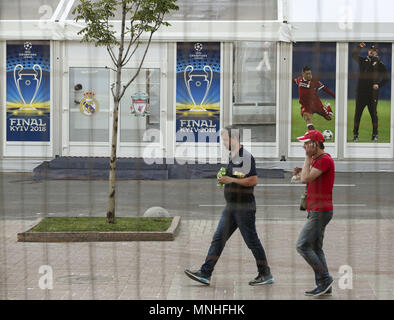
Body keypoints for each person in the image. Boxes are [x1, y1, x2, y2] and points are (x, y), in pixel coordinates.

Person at [184, 125, 273, 286]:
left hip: (244, 208)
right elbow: (236, 176)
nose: (223, 143)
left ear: (235, 139)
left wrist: (230, 180)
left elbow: (253, 180)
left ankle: (265, 274)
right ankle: (205, 273)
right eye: (222, 139)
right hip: (231, 207)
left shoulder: (245, 156)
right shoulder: (233, 156)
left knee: (252, 241)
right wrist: (225, 176)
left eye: (225, 139)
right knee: (218, 239)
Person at [293, 129, 335, 297]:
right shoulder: (318, 159)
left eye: (306, 143)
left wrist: (307, 158)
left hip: (320, 211)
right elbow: (305, 177)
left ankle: (325, 279)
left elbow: (306, 179)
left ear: (315, 144)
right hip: (316, 209)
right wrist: (301, 170)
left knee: (302, 245)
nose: (303, 146)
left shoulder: (323, 160)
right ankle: (324, 286)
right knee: (316, 248)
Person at [351, 43, 389, 142]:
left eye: (373, 50)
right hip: (361, 92)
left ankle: (375, 135)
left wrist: (379, 85)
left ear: (376, 52)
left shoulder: (380, 64)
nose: (371, 51)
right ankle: (355, 135)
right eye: (370, 50)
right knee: (358, 114)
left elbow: (386, 78)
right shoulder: (363, 61)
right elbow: (353, 55)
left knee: (374, 115)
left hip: (372, 93)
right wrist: (359, 47)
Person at [293, 66, 335, 131]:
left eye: (310, 73)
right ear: (303, 74)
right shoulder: (299, 80)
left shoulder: (315, 81)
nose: (309, 75)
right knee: (307, 118)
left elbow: (325, 89)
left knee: (329, 118)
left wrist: (335, 96)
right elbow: (293, 80)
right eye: (307, 74)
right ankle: (313, 137)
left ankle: (328, 107)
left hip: (316, 104)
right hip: (306, 105)